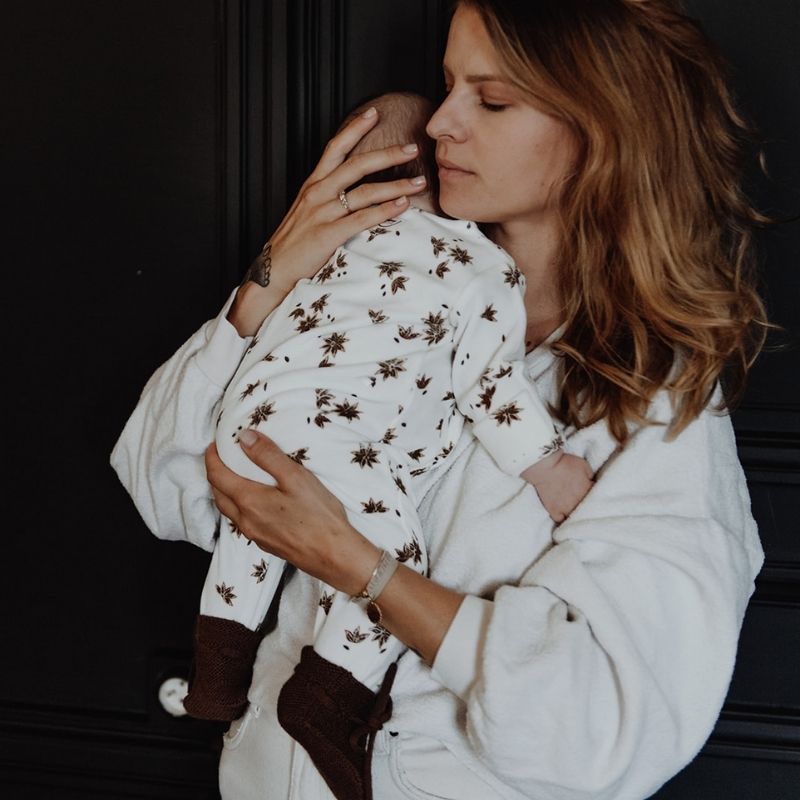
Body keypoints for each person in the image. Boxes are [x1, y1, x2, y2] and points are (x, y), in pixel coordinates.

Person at [110, 1, 770, 798]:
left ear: (601, 132)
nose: (441, 123)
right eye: (449, 85)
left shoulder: (654, 405)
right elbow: (166, 491)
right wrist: (274, 274)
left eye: (491, 101)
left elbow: (602, 727)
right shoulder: (379, 293)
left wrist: (360, 568)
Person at [184, 90, 593, 757]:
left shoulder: (331, 256)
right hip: (339, 441)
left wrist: (274, 273)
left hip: (247, 426)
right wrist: (547, 465)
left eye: (492, 101)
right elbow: (491, 385)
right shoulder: (481, 270)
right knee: (392, 565)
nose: (447, 125)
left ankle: (215, 677)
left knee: (248, 545)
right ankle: (326, 697)